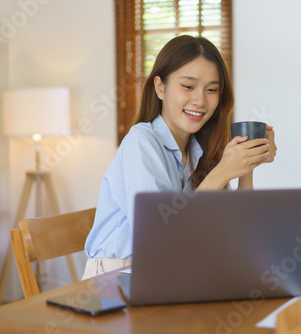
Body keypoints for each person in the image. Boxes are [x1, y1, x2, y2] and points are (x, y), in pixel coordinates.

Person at [83, 35, 277, 279]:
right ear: (160, 87)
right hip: (118, 276)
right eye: (188, 86)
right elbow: (159, 240)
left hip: (169, 272)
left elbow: (235, 228)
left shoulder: (197, 149)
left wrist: (246, 162)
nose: (200, 100)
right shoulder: (141, 143)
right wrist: (221, 172)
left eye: (212, 90)